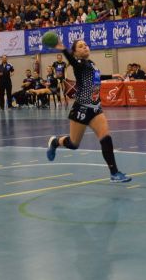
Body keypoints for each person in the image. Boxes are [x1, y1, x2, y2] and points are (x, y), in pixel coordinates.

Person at [45, 38, 131, 183]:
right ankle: (55, 142)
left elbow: (95, 77)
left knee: (106, 138)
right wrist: (63, 49)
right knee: (73, 144)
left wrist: (112, 76)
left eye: (85, 44)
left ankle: (114, 173)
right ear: (75, 52)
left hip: (96, 108)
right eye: (80, 46)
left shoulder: (91, 64)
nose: (85, 47)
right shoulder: (77, 64)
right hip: (81, 109)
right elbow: (72, 61)